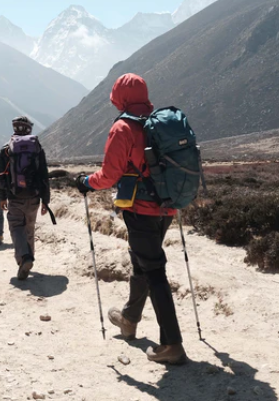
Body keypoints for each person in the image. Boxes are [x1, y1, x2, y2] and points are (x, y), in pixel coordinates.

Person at [75, 73, 187, 365]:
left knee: (154, 271)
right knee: (143, 263)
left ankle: (171, 344)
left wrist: (86, 182)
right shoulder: (160, 124)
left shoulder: (123, 128)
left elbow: (109, 175)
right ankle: (129, 319)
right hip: (167, 207)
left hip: (140, 209)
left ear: (120, 97)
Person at [0, 116, 51, 281]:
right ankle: (29, 259)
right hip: (34, 197)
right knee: (29, 229)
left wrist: (2, 197)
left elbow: (0, 176)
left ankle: (24, 258)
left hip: (15, 196)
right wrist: (45, 201)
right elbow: (43, 175)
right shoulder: (37, 148)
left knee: (16, 227)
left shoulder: (7, 149)